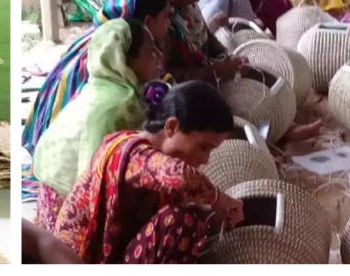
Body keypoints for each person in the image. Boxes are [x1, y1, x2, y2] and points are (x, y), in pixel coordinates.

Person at [51, 81, 244, 263]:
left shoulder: (152, 160)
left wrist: (213, 212)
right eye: (203, 147)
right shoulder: (131, 153)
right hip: (79, 261)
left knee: (191, 214)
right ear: (172, 127)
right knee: (180, 221)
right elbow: (180, 178)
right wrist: (222, 199)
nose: (205, 159)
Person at [33, 19, 161, 229]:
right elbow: (92, 178)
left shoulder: (109, 86)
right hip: (65, 195)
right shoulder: (113, 105)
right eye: (151, 52)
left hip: (56, 183)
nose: (160, 57)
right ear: (124, 61)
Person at [21, 0, 173, 159]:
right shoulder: (112, 67)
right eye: (166, 17)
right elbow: (93, 158)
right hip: (68, 153)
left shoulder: (109, 43)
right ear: (147, 21)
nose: (169, 24)